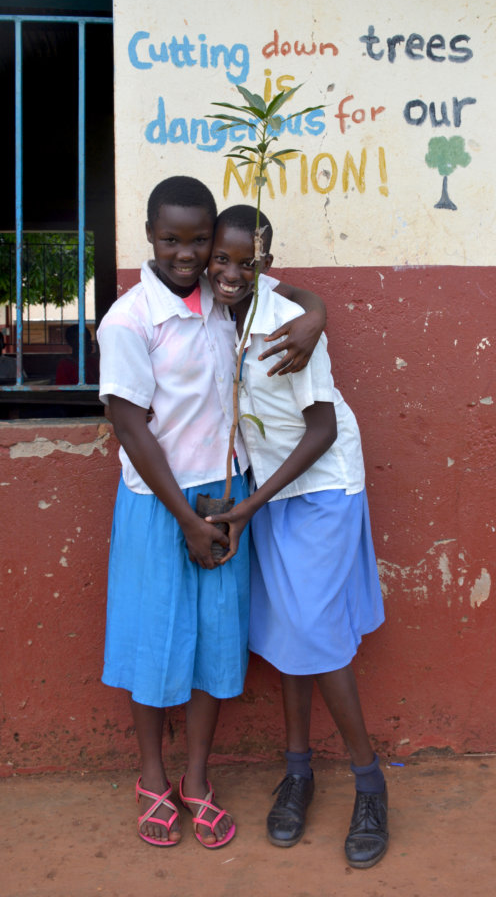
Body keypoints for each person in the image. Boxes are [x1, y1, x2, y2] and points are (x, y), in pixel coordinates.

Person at [97, 176, 326, 849]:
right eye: (172, 239)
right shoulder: (130, 320)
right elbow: (131, 430)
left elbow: (294, 298)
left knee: (212, 647)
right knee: (153, 644)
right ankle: (150, 776)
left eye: (199, 240)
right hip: (160, 505)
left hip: (226, 499)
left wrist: (315, 315)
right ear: (148, 236)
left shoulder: (227, 302)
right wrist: (187, 522)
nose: (188, 254)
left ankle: (196, 778)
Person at [206, 205, 387, 870]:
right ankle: (299, 771)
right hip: (270, 493)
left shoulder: (289, 326)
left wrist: (249, 504)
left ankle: (370, 783)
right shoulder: (213, 314)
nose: (228, 273)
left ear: (265, 266)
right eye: (218, 259)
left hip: (317, 488)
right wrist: (318, 303)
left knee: (313, 630)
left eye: (244, 262)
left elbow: (321, 430)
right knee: (286, 632)